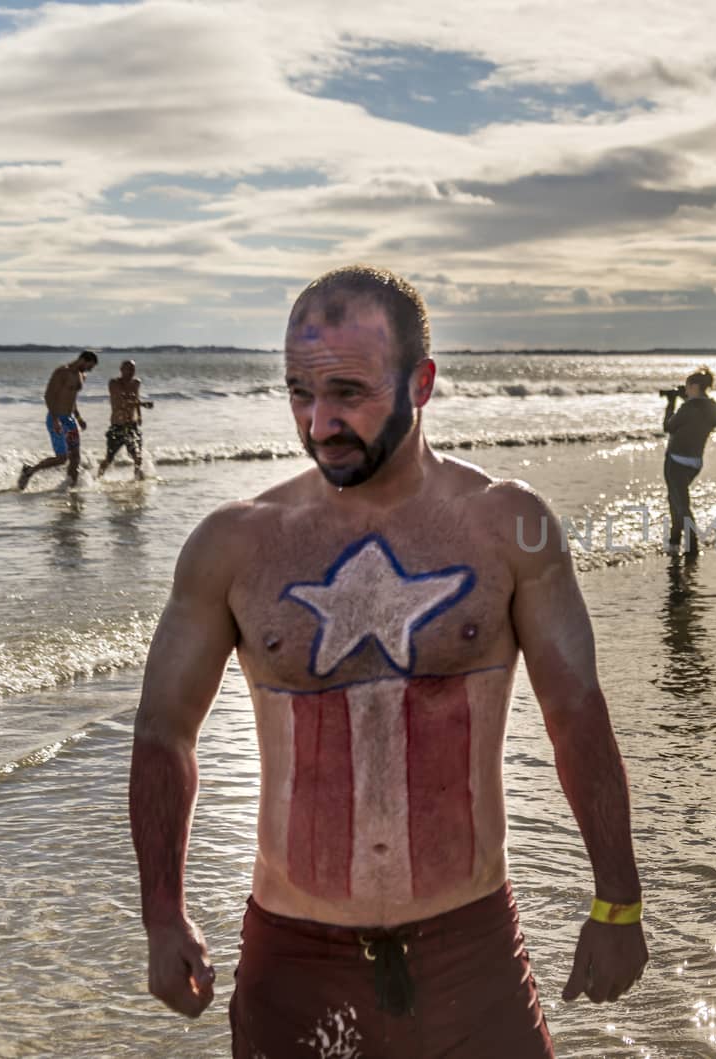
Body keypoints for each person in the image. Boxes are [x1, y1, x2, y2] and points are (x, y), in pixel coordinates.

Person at [128, 266, 647, 1058]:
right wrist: (163, 913)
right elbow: (165, 731)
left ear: (423, 382)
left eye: (348, 392)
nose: (319, 420)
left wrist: (618, 900)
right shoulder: (235, 545)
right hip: (295, 959)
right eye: (299, 392)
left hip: (470, 950)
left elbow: (574, 712)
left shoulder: (508, 527)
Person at [661, 367, 716, 554]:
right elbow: (701, 416)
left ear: (695, 386)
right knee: (678, 500)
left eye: (688, 387)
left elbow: (669, 426)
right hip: (695, 462)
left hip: (676, 461)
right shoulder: (715, 409)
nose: (686, 390)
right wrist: (687, 399)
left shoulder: (688, 408)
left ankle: (689, 544)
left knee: (679, 503)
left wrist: (671, 404)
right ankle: (675, 542)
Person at [17, 349, 98, 490]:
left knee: (75, 458)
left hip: (70, 420)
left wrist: (78, 418)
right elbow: (49, 396)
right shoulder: (62, 372)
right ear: (83, 360)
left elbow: (72, 399)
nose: (89, 370)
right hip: (57, 417)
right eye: (89, 366)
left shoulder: (81, 375)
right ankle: (30, 470)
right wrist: (55, 420)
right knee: (62, 458)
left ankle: (70, 488)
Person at [96, 359, 154, 480]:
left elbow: (136, 398)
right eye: (129, 369)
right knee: (109, 458)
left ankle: (137, 480)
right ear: (121, 370)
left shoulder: (136, 383)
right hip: (118, 425)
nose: (131, 372)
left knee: (137, 456)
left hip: (132, 425)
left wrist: (139, 415)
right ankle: (97, 478)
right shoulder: (114, 383)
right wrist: (143, 405)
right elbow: (120, 403)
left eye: (133, 369)